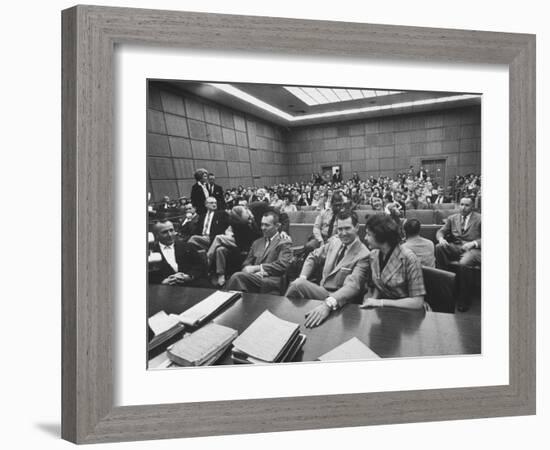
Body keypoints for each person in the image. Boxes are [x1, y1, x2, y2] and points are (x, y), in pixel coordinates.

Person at [285, 210, 370, 328]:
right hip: (321, 291)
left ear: (356, 227)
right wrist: (303, 277)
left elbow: (353, 286)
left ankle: (283, 320)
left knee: (297, 285)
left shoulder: (364, 254)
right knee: (299, 282)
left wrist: (328, 304)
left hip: (340, 301)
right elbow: (313, 256)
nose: (343, 233)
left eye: (347, 228)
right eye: (340, 229)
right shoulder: (335, 241)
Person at [360, 214, 426, 310]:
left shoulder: (409, 259)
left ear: (380, 235)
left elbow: (417, 302)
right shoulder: (374, 255)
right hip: (385, 311)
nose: (365, 238)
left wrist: (381, 302)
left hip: (409, 313)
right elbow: (379, 285)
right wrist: (371, 301)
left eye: (369, 234)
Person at [225, 211, 292, 293]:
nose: (263, 228)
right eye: (262, 224)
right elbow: (247, 263)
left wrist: (258, 269)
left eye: (267, 225)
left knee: (237, 277)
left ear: (277, 226)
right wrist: (249, 270)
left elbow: (282, 265)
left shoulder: (284, 242)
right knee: (237, 280)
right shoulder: (257, 242)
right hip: (254, 278)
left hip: (271, 281)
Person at [206, 205, 261, 287]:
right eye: (245, 211)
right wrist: (230, 234)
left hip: (245, 245)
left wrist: (252, 220)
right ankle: (221, 274)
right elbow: (228, 231)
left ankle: (207, 262)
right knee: (220, 249)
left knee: (218, 238)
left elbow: (254, 236)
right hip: (236, 243)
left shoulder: (252, 221)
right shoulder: (236, 223)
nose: (247, 211)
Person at [148, 220, 206, 285]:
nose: (170, 235)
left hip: (190, 285)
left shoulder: (187, 246)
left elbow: (200, 265)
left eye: (171, 230)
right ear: (156, 235)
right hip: (163, 288)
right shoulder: (151, 253)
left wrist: (189, 276)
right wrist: (162, 281)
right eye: (164, 232)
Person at [435, 196, 481, 269]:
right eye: (461, 204)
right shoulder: (452, 218)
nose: (463, 208)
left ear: (472, 207)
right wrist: (441, 239)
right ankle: (444, 274)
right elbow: (441, 231)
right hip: (456, 247)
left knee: (463, 263)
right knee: (439, 247)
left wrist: (473, 243)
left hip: (472, 249)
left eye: (467, 205)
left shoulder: (480, 219)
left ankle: (461, 280)